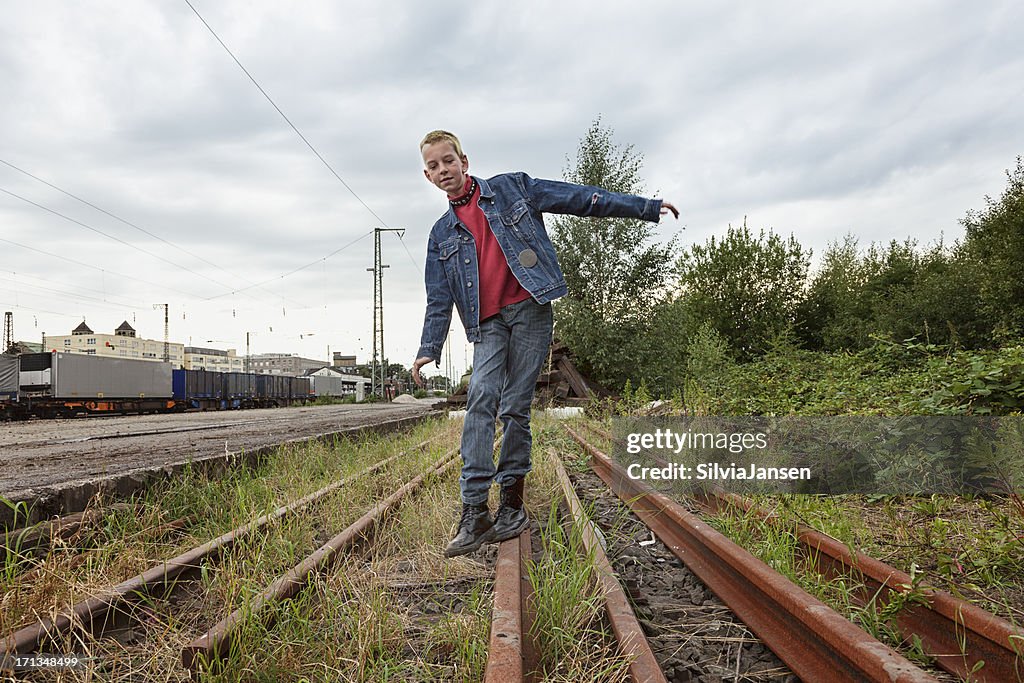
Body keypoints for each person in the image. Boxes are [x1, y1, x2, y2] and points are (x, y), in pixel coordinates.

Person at [412, 130, 678, 557]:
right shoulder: (441, 234)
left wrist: (643, 207)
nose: (444, 170)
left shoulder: (511, 187)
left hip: (531, 309)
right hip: (488, 323)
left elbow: (575, 198)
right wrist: (429, 347)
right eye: (434, 166)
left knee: (514, 406)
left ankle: (512, 506)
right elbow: (439, 296)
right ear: (427, 176)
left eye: (449, 161)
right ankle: (475, 510)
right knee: (481, 398)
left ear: (465, 160)